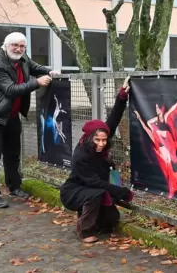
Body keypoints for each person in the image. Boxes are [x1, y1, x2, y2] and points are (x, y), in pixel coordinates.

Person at [0, 32, 59, 208]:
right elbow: (10, 89)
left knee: (13, 154)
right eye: (15, 45)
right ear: (5, 45)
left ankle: (14, 187)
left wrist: (49, 71)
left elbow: (35, 67)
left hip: (12, 114)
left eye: (22, 46)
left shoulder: (22, 59)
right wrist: (37, 83)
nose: (18, 49)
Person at [60, 77, 134, 243]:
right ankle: (84, 231)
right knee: (96, 194)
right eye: (97, 140)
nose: (101, 144)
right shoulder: (81, 156)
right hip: (74, 191)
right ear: (89, 138)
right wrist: (122, 192)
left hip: (92, 187)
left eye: (104, 140)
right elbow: (96, 183)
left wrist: (122, 96)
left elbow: (114, 117)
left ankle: (90, 216)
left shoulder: (102, 134)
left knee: (112, 220)